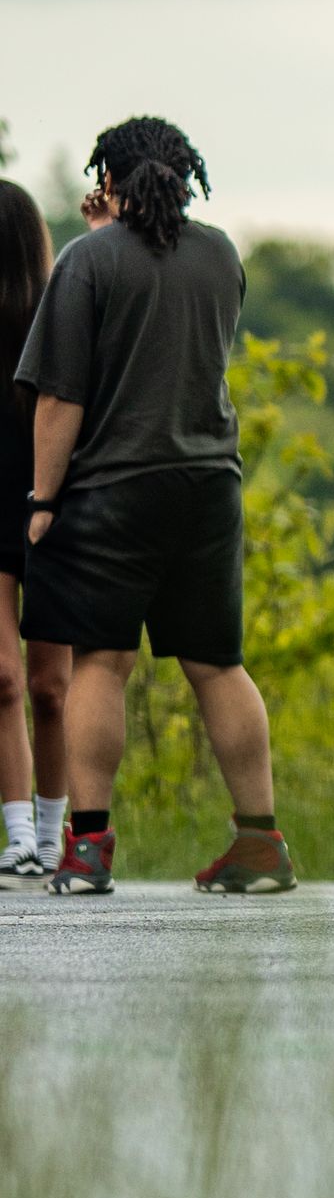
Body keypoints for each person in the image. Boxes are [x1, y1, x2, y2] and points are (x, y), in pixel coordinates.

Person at [16, 116, 295, 898]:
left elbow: (60, 398)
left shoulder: (86, 261)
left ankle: (90, 849)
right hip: (209, 485)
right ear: (181, 174)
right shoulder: (221, 255)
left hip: (115, 488)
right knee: (218, 665)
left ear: (110, 179)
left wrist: (42, 499)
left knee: (101, 661)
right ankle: (260, 843)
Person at [0, 177, 72, 881]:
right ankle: (18, 833)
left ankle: (54, 835)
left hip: (49, 511)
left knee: (53, 686)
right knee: (2, 679)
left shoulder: (58, 321)